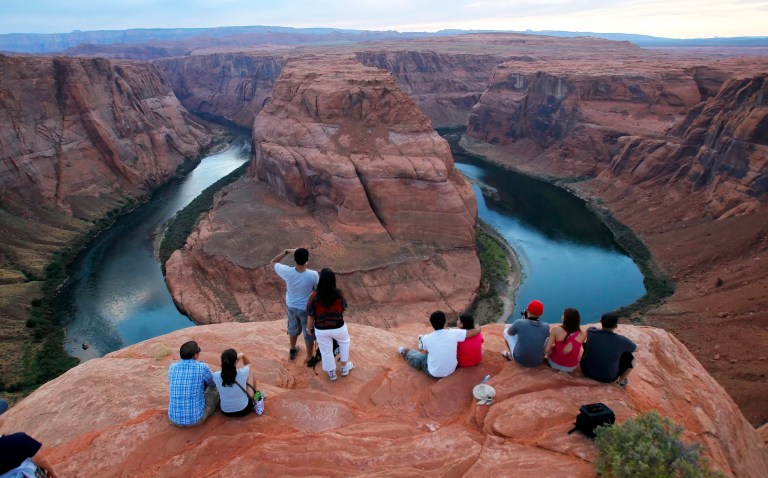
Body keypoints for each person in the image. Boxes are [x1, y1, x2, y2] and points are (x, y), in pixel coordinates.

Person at [271, 247, 320, 366]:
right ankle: (309, 358)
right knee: (308, 331)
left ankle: (292, 349)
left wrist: (286, 251)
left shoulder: (287, 271)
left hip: (291, 306)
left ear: (294, 259)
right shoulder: (313, 275)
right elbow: (316, 290)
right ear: (307, 260)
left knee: (292, 327)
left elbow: (273, 262)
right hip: (306, 308)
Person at [398, 311, 481, 378]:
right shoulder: (454, 333)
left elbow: (425, 351)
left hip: (434, 373)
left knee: (419, 357)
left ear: (432, 324)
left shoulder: (428, 338)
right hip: (452, 369)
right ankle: (417, 343)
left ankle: (403, 351)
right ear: (445, 322)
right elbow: (474, 332)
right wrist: (477, 327)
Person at [307, 268, 353, 381]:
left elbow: (311, 315)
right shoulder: (339, 294)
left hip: (321, 329)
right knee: (344, 343)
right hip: (338, 327)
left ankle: (332, 374)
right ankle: (344, 368)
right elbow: (343, 308)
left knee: (325, 350)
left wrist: (309, 329)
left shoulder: (314, 296)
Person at [167, 341, 219, 427]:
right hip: (196, 419)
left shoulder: (172, 367)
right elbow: (212, 383)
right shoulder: (201, 367)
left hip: (173, 419)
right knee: (215, 388)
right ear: (195, 355)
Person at [580, 312, 637, 387]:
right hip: (608, 378)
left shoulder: (591, 331)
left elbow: (582, 339)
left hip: (586, 371)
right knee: (632, 356)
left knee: (588, 344)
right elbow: (635, 348)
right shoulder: (622, 340)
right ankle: (621, 381)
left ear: (600, 322)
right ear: (616, 326)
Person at [501, 299, 550, 367]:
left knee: (506, 330)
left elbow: (509, 333)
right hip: (538, 360)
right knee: (547, 338)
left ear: (528, 310)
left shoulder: (519, 322)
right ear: (541, 313)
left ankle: (511, 355)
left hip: (519, 359)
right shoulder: (546, 326)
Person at [212, 349, 259, 417]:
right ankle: (255, 394)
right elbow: (248, 364)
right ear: (236, 361)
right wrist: (242, 355)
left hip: (225, 411)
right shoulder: (243, 372)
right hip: (244, 410)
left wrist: (232, 362)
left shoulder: (216, 375)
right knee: (250, 372)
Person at [544, 308, 586, 373]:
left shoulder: (556, 330)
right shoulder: (583, 333)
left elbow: (546, 350)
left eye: (563, 315)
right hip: (571, 367)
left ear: (565, 319)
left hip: (554, 364)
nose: (562, 316)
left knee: (547, 340)